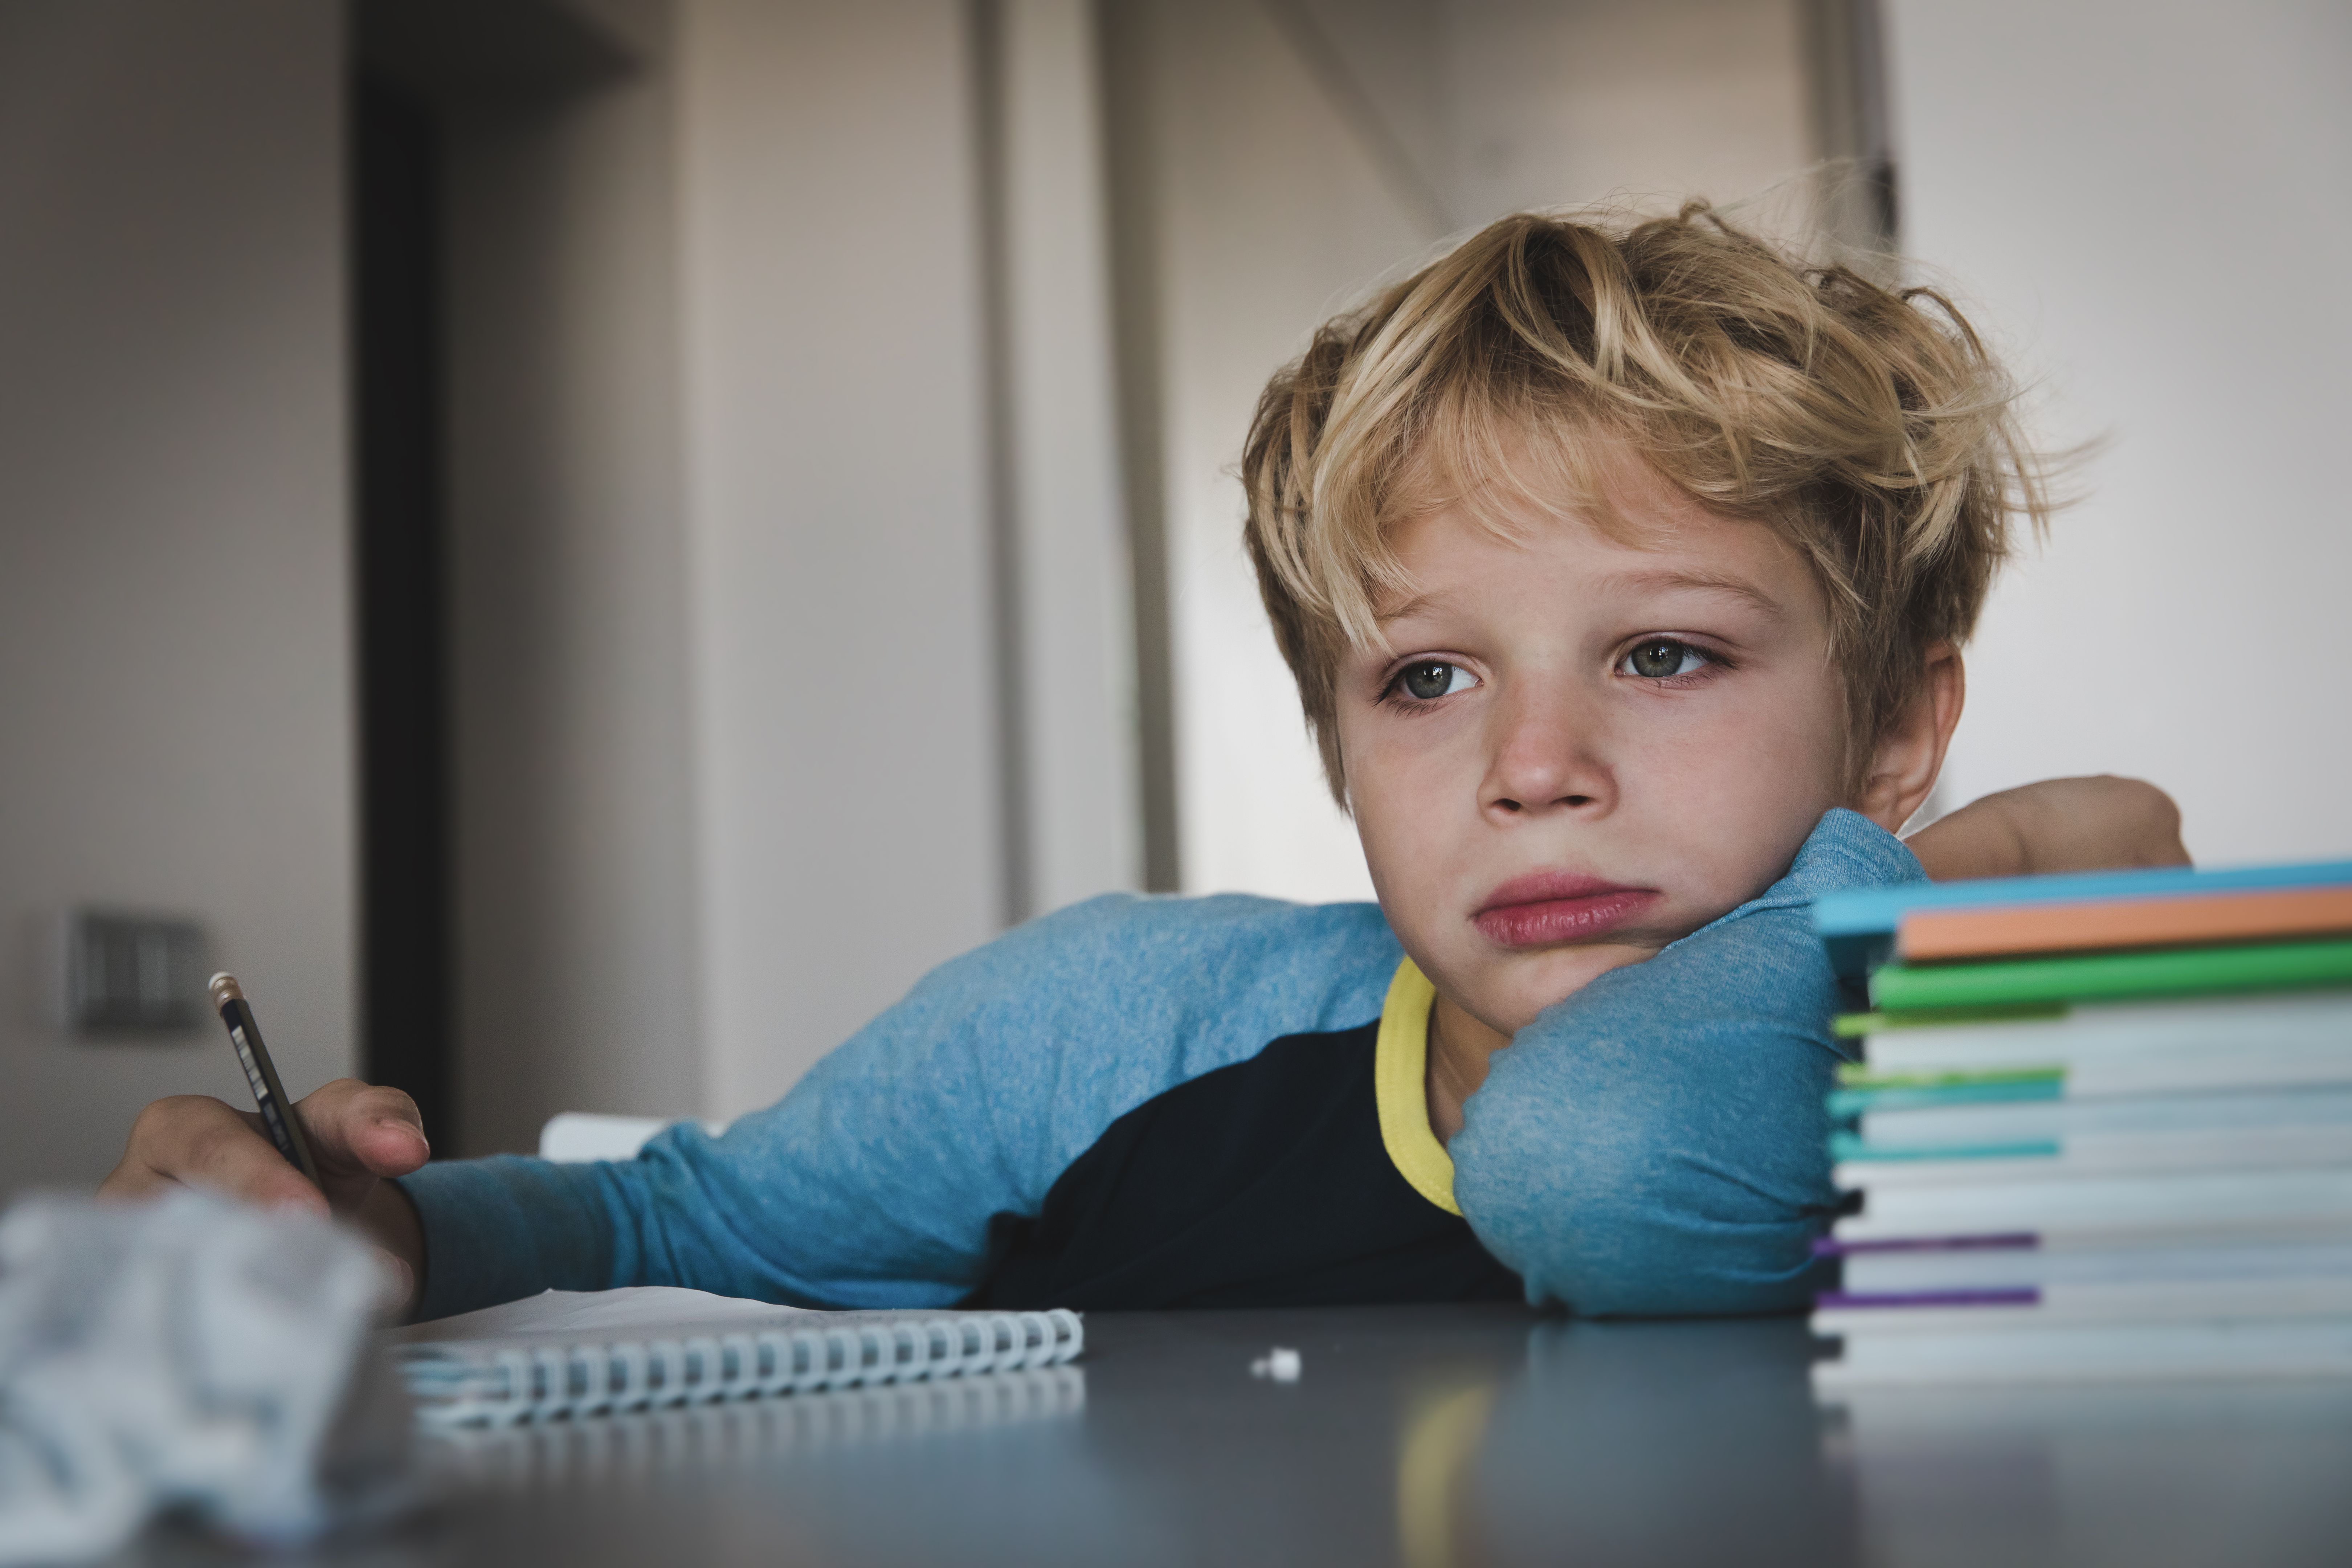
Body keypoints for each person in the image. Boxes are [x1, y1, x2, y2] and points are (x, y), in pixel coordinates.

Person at [103, 204, 2187, 1320]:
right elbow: (674, 1227)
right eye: (1424, 683)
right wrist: (385, 1242)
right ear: (1332, 742)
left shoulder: (1994, 1075)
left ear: (1899, 721)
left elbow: (1614, 1159)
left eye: (1661, 652)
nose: (1533, 769)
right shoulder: (1108, 1032)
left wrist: (1929, 888)